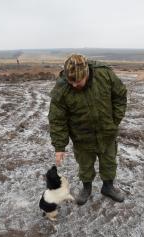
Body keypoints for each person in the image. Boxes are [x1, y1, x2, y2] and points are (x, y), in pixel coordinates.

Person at [48, 54, 127, 205]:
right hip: (81, 136)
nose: (74, 85)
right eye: (70, 81)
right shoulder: (62, 88)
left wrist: (114, 120)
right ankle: (86, 188)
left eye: (77, 81)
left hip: (106, 133)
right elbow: (57, 119)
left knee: (109, 161)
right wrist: (59, 146)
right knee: (85, 165)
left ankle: (108, 187)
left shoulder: (104, 74)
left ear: (86, 74)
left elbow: (120, 96)